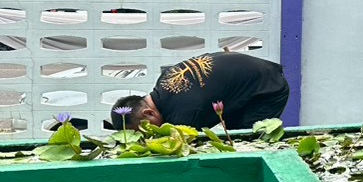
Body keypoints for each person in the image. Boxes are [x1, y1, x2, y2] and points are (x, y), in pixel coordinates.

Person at [106, 51, 290, 131]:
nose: (148, 135)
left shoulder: (184, 115)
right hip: (251, 77)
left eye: (144, 129)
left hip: (267, 89)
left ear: (148, 113)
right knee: (233, 135)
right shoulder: (163, 80)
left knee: (247, 139)